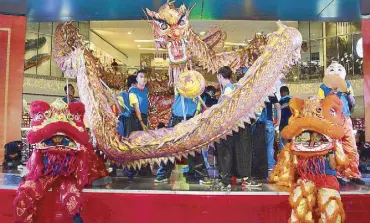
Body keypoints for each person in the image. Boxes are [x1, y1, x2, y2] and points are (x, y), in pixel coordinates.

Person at [318, 61, 364, 185]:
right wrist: (332, 92)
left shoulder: (347, 84)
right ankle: (338, 174)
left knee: (351, 146)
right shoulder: (323, 87)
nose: (336, 71)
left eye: (339, 69)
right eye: (332, 69)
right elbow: (321, 104)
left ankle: (353, 173)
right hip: (332, 119)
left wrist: (347, 93)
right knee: (336, 147)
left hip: (346, 118)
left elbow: (352, 103)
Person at [154, 85, 211, 185]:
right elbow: (178, 87)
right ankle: (162, 175)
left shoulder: (199, 92)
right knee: (170, 148)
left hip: (190, 120)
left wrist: (194, 118)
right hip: (177, 120)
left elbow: (199, 107)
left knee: (194, 148)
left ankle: (203, 175)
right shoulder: (180, 87)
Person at [215, 66, 261, 188]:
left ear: (220, 76)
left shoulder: (229, 90)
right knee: (235, 151)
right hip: (235, 127)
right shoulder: (230, 88)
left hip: (233, 126)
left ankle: (228, 179)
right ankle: (234, 178)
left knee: (228, 151)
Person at [278, 86, 292, 150]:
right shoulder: (293, 100)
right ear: (288, 92)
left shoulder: (279, 103)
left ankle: (283, 158)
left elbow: (276, 116)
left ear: (281, 93)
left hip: (282, 126)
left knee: (283, 145)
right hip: (292, 125)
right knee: (292, 143)